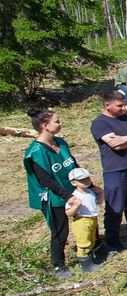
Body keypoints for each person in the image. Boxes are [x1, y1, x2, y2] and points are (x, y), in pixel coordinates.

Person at [24, 109, 84, 278]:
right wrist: (69, 197)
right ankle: (58, 265)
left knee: (86, 217)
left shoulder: (60, 142)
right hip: (53, 196)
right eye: (57, 121)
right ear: (45, 126)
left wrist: (90, 186)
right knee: (60, 231)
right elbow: (46, 181)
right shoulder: (36, 153)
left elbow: (74, 165)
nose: (60, 123)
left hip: (72, 189)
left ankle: (93, 248)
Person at [91, 89, 127, 249]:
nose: (124, 108)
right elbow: (115, 145)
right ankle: (113, 241)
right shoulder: (100, 123)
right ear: (107, 105)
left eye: (123, 105)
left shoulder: (126, 118)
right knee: (115, 206)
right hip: (115, 170)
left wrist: (126, 138)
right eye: (119, 106)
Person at [63, 167, 105, 273]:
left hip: (92, 220)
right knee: (83, 243)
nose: (86, 181)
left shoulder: (90, 192)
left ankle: (91, 260)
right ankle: (86, 266)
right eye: (82, 180)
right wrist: (76, 206)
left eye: (87, 178)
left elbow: (98, 203)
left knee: (91, 240)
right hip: (81, 221)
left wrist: (101, 193)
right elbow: (68, 213)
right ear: (73, 182)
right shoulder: (75, 197)